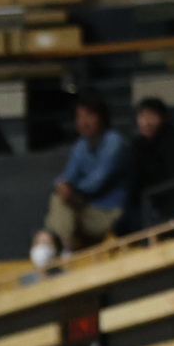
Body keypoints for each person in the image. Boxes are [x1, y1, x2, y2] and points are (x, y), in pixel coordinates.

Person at [45, 92, 130, 250]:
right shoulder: (81, 145)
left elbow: (96, 182)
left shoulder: (114, 142)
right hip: (87, 210)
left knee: (61, 202)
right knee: (59, 198)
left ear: (102, 117)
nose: (83, 122)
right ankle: (62, 245)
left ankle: (56, 246)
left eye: (89, 116)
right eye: (79, 116)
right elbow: (67, 176)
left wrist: (70, 188)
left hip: (112, 213)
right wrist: (62, 185)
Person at [128, 96, 174, 224]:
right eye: (142, 116)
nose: (146, 122)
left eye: (151, 116)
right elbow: (134, 183)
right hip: (148, 202)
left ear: (163, 117)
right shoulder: (137, 145)